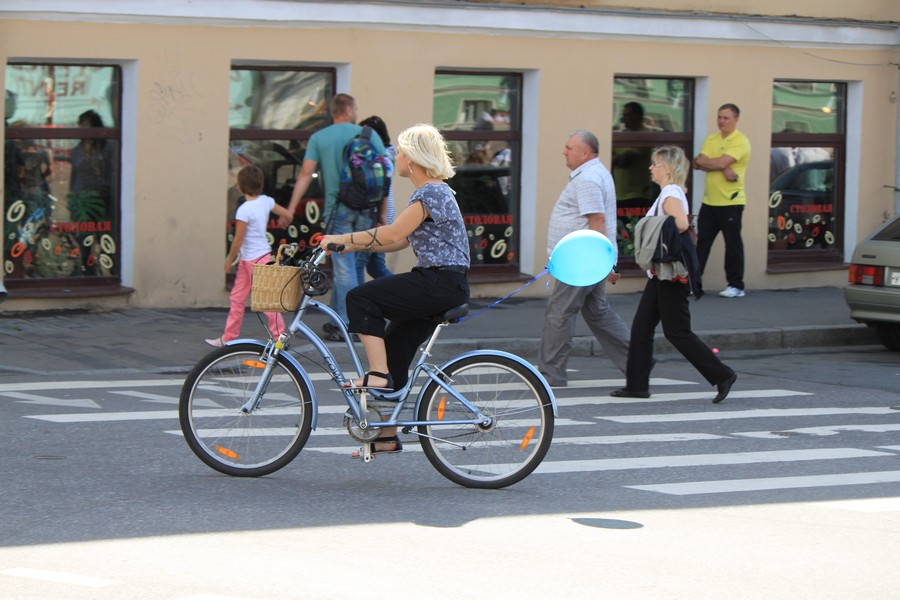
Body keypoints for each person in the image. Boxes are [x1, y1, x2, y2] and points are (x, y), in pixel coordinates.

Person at [319, 123, 469, 455]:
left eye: (400, 151)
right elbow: (399, 240)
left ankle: (376, 375)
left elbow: (391, 234)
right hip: (444, 283)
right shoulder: (434, 191)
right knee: (396, 351)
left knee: (359, 297)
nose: (396, 156)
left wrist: (340, 239)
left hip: (438, 281)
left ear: (412, 159)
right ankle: (386, 435)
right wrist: (351, 248)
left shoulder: (430, 192)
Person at [611, 146, 737, 403]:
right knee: (642, 328)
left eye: (655, 163)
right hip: (662, 273)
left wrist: (651, 227)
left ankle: (722, 374)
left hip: (670, 273)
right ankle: (636, 385)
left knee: (677, 332)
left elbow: (680, 223)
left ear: (667, 168)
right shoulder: (670, 192)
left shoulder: (670, 192)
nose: (651, 168)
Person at [284, 93, 386, 340]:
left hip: (337, 210)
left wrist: (290, 208)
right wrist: (382, 214)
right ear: (349, 109)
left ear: (333, 111)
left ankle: (348, 324)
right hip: (366, 210)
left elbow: (306, 174)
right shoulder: (369, 135)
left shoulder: (319, 137)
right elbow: (385, 173)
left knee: (344, 269)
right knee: (354, 266)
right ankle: (344, 321)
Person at [538, 130, 631, 388]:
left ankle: (550, 375)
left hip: (579, 261)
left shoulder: (588, 178)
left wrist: (599, 262)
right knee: (597, 312)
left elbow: (596, 220)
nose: (564, 152)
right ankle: (637, 361)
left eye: (569, 148)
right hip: (587, 259)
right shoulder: (593, 173)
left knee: (559, 313)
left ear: (585, 153)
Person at [205, 165, 293, 348]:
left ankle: (274, 339)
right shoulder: (266, 201)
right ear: (260, 184)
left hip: (251, 260)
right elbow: (287, 214)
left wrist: (229, 260)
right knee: (255, 299)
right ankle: (231, 337)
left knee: (250, 300)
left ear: (240, 186)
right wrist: (285, 221)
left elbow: (238, 240)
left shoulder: (244, 210)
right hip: (260, 257)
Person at [693, 103, 751, 298]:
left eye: (726, 118)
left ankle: (736, 286)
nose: (721, 121)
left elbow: (711, 162)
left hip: (731, 202)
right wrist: (721, 165)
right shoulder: (712, 139)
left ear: (736, 119)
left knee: (733, 245)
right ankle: (694, 284)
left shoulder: (740, 141)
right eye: (719, 117)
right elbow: (697, 162)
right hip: (710, 201)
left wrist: (717, 163)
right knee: (702, 243)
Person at [358, 115, 395, 280]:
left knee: (361, 264)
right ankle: (399, 296)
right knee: (375, 266)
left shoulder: (381, 158)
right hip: (383, 216)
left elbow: (383, 189)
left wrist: (381, 216)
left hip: (379, 217)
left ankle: (401, 293)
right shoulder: (387, 155)